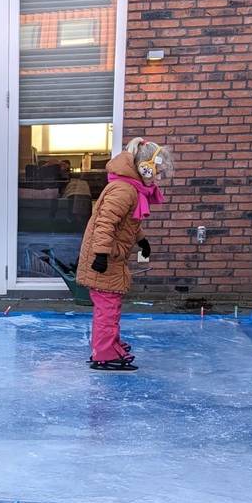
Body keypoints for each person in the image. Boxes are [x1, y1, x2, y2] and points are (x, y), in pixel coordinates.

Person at [75, 137, 171, 371]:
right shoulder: (124, 190)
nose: (158, 179)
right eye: (157, 173)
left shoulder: (131, 188)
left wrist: (142, 240)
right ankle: (104, 354)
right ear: (145, 167)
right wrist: (100, 255)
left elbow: (129, 223)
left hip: (112, 255)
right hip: (105, 258)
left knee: (112, 303)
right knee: (108, 306)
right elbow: (105, 223)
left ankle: (109, 344)